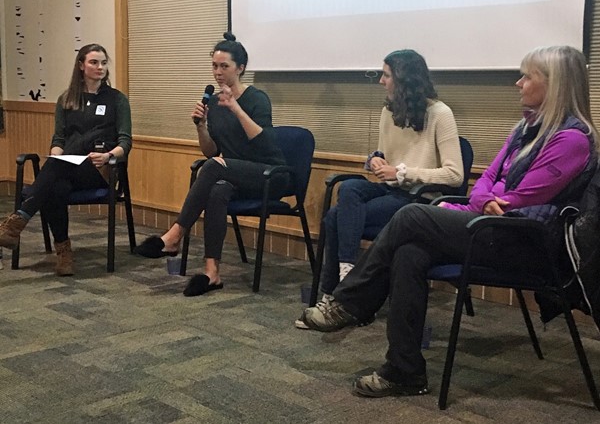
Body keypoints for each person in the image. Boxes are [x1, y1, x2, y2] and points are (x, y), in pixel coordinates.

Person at [297, 46, 599, 397]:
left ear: (555, 84)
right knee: (409, 252)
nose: (518, 83)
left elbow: (522, 199)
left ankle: (347, 302)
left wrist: (486, 198)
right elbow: (484, 182)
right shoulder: (525, 129)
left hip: (527, 243)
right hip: (489, 227)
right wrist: (486, 198)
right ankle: (404, 371)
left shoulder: (572, 140)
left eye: (527, 76)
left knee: (410, 215)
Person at [296, 50, 463, 329]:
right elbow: (386, 154)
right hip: (389, 189)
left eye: (386, 75)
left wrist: (402, 172)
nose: (381, 82)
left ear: (404, 79)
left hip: (419, 198)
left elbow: (454, 174)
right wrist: (375, 158)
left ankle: (336, 295)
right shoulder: (389, 110)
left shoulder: (440, 114)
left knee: (335, 218)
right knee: (349, 187)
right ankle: (347, 281)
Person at [134, 32, 290, 297]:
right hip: (233, 175)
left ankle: (174, 236)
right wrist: (202, 127)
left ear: (240, 68)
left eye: (224, 66)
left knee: (215, 169)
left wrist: (236, 109)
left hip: (267, 174)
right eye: (214, 66)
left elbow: (263, 142)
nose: (218, 72)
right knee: (217, 189)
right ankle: (212, 272)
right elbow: (212, 152)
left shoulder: (257, 98)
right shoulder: (216, 103)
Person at [0, 43, 132, 276]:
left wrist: (109, 155)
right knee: (55, 185)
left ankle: (18, 221)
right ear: (81, 65)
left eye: (103, 62)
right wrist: (56, 155)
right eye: (94, 62)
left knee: (53, 172)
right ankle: (63, 252)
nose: (100, 67)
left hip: (99, 169)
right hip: (67, 167)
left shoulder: (116, 99)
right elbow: (59, 139)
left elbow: (125, 142)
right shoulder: (67, 99)